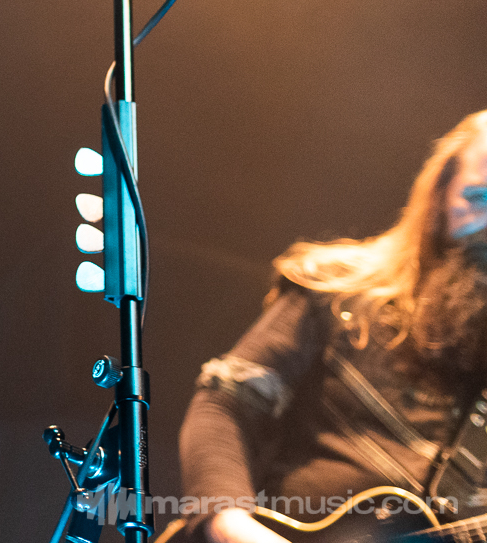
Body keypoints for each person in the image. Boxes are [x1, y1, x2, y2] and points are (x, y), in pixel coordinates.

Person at [177, 110, 487, 541]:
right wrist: (228, 525)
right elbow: (225, 404)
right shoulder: (337, 287)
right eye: (479, 197)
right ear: (439, 196)